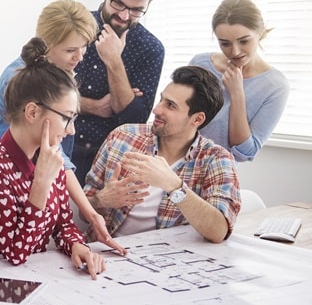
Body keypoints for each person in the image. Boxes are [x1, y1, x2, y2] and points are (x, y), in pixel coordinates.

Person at [0, 0, 126, 254]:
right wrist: (89, 211)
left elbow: (57, 164)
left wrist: (84, 221)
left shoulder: (61, 74)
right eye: (71, 50)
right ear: (47, 45)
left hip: (37, 172)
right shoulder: (20, 80)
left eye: (83, 48)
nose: (79, 57)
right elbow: (14, 252)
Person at [0, 37, 106, 279]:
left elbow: (63, 225)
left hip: (30, 278)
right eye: (67, 118)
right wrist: (41, 184)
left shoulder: (49, 156)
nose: (72, 131)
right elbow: (15, 254)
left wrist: (76, 245)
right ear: (33, 112)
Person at [83, 66, 240, 244]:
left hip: (163, 261)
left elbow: (219, 231)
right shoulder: (123, 137)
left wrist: (174, 186)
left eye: (170, 106)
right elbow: (83, 209)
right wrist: (101, 200)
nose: (156, 110)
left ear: (197, 119)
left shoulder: (216, 159)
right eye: (161, 100)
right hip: (102, 251)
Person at [72, 0, 165, 186]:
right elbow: (40, 94)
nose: (124, 16)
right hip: (60, 146)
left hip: (109, 159)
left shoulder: (151, 49)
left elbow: (134, 119)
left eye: (136, 10)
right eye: (118, 4)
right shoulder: (73, 26)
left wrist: (114, 61)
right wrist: (95, 106)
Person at [190, 0, 289, 162]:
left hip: (218, 173)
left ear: (260, 31)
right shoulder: (200, 64)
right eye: (225, 43)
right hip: (175, 161)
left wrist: (237, 94)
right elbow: (178, 117)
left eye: (244, 41)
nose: (235, 52)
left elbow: (245, 152)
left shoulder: (275, 86)